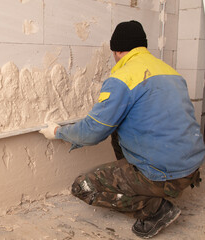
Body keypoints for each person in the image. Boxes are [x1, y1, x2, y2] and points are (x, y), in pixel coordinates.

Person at [39, 20, 205, 239]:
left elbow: (92, 131)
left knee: (84, 186)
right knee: (117, 131)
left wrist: (58, 132)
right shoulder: (171, 73)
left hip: (165, 174)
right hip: (191, 166)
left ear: (117, 51)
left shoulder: (122, 78)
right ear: (142, 48)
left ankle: (155, 209)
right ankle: (146, 183)